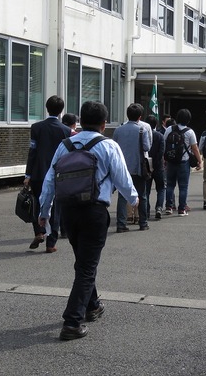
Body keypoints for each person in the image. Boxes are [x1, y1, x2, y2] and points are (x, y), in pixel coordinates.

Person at [39, 101, 138, 341]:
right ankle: (72, 322)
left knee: (83, 262)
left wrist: (44, 212)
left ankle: (93, 306)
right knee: (86, 267)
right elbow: (122, 179)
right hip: (94, 211)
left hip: (68, 211)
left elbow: (50, 180)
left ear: (81, 120)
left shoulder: (65, 146)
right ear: (104, 124)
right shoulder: (108, 146)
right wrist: (134, 200)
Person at [23, 95, 71, 253]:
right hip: (58, 174)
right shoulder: (65, 130)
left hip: (38, 172)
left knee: (37, 203)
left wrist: (28, 175)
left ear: (46, 108)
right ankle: (51, 243)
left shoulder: (36, 127)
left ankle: (39, 232)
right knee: (56, 207)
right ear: (61, 111)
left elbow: (32, 151)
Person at [112, 103, 151, 232]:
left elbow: (114, 147)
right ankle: (143, 223)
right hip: (138, 167)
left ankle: (121, 224)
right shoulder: (142, 130)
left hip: (122, 167)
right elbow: (146, 147)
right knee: (142, 195)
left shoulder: (118, 130)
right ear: (140, 117)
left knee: (122, 196)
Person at [163, 108, 201, 216]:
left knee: (170, 185)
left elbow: (165, 145)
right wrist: (199, 161)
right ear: (188, 119)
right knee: (183, 187)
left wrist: (164, 158)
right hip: (184, 162)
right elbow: (195, 148)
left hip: (170, 161)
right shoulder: (190, 132)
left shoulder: (169, 129)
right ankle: (181, 209)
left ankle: (169, 207)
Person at [145, 114, 165, 219]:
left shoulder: (143, 135)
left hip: (146, 166)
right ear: (156, 124)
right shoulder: (159, 136)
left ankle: (146, 210)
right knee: (161, 188)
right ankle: (159, 208)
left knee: (146, 190)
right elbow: (161, 151)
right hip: (158, 166)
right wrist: (157, 162)